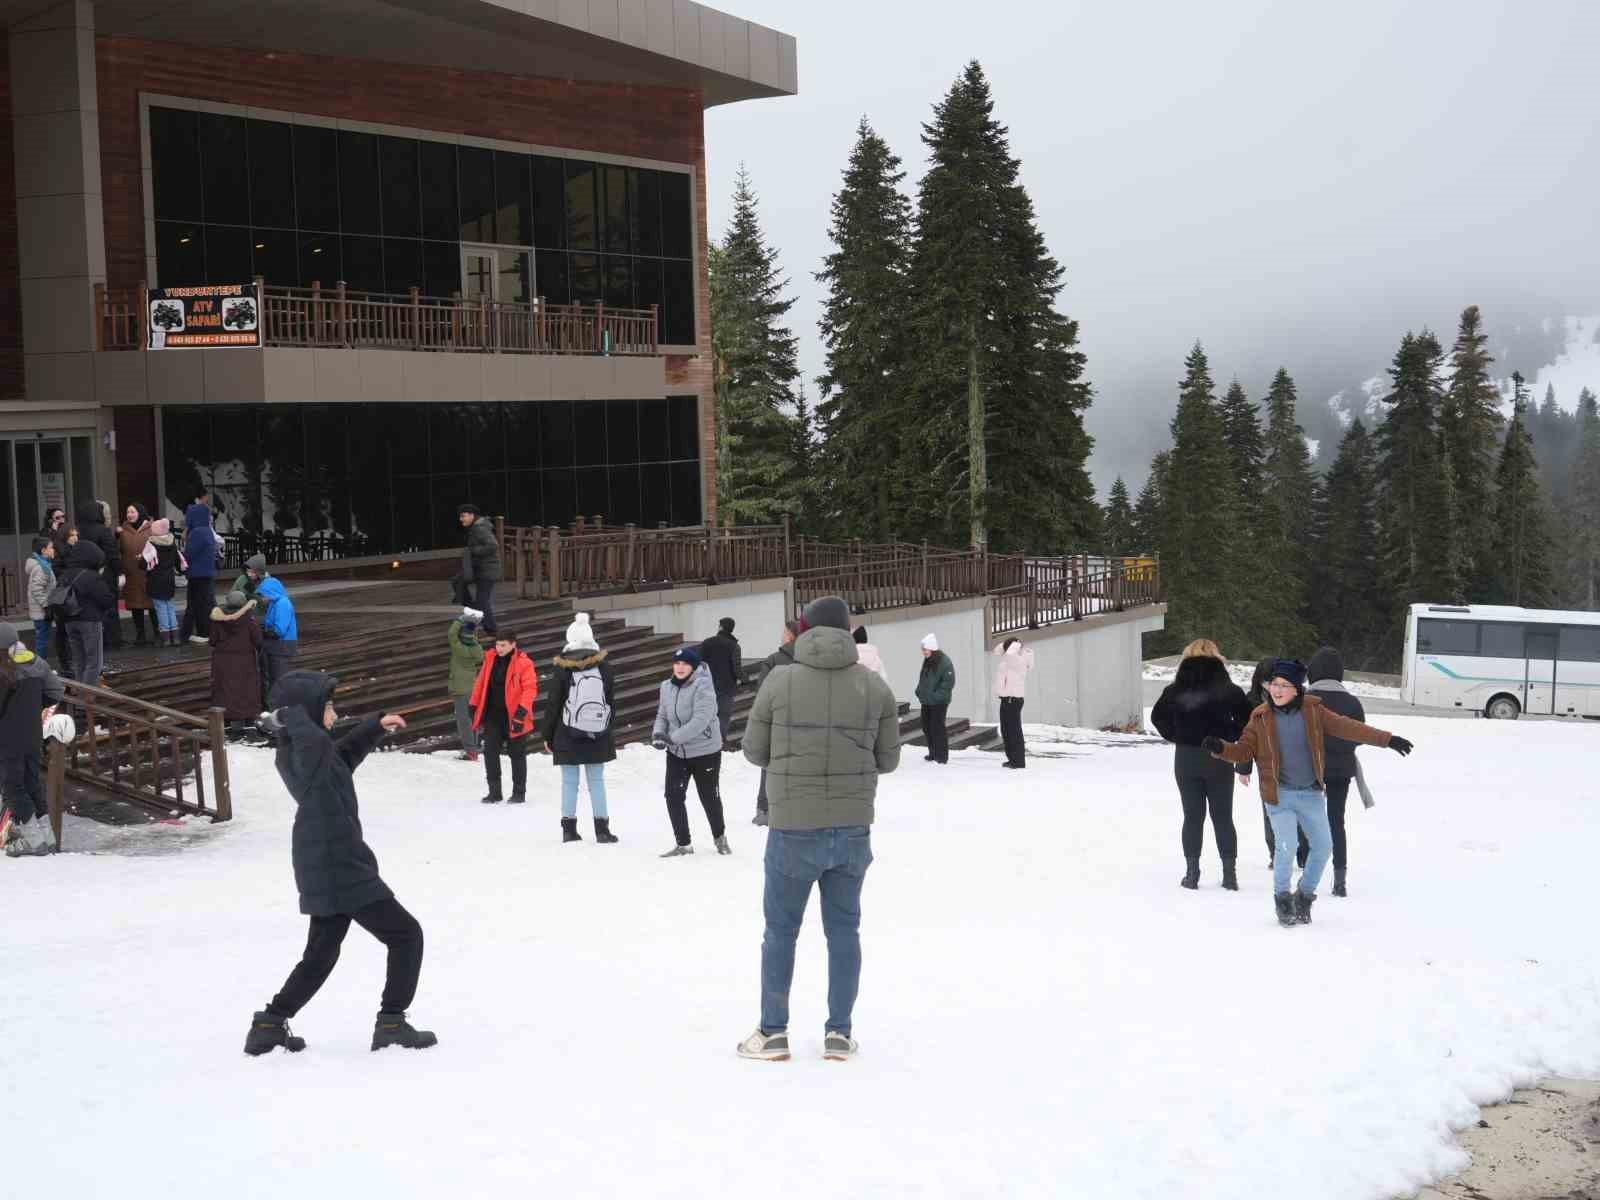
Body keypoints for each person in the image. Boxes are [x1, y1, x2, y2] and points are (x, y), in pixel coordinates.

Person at [737, 594, 901, 1063]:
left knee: (780, 932)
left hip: (792, 827)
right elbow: (887, 760)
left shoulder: (778, 681)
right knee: (844, 931)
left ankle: (772, 1033)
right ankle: (839, 1033)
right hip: (851, 829)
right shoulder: (874, 687)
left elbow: (753, 750)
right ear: (848, 632)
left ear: (804, 630)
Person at [245, 671, 435, 1055]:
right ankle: (392, 1022)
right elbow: (316, 737)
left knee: (320, 954)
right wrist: (285, 715)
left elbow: (342, 759)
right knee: (406, 935)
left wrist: (373, 727)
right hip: (339, 862)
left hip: (325, 859)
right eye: (328, 705)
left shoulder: (311, 753)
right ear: (307, 710)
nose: (333, 712)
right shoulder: (306, 745)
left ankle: (269, 1024)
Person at [1203, 658, 1414, 927]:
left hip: (1311, 794)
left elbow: (1349, 727)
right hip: (1279, 795)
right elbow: (1244, 750)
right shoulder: (1260, 717)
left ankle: (1303, 895)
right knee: (1287, 845)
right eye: (1274, 685)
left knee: (1324, 846)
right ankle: (1282, 899)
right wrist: (1221, 748)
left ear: (1297, 689)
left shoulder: (1314, 711)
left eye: (1283, 685)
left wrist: (1388, 739)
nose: (1276, 691)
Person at [1150, 639, 1253, 891]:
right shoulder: (1230, 690)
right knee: (1223, 816)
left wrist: (1178, 734)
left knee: (1192, 816)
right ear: (1218, 657)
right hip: (1219, 755)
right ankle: (1230, 875)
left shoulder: (1174, 690)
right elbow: (1248, 720)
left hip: (1186, 757)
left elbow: (1157, 717)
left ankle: (1192, 873)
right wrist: (1229, 736)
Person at [538, 613, 619, 845]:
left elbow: (554, 704)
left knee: (569, 782)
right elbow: (611, 701)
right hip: (597, 731)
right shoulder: (604, 667)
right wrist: (606, 727)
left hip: (567, 731)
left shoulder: (563, 669)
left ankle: (569, 830)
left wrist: (548, 734)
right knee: (597, 781)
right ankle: (602, 830)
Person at [1301, 646, 1374, 898]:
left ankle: (1304, 866)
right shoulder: (1352, 702)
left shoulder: (1304, 700)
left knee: (1305, 817)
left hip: (1308, 767)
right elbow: (1360, 735)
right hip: (1342, 768)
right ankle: (1339, 879)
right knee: (1336, 821)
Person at [651, 646, 728, 857]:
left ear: (693, 667)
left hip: (705, 751)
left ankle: (720, 838)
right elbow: (662, 715)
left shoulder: (704, 686)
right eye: (677, 663)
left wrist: (672, 738)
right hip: (677, 753)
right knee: (673, 796)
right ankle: (683, 844)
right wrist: (658, 734)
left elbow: (700, 721)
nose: (680, 667)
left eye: (685, 664)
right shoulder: (666, 686)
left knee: (709, 796)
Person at [0, 621, 66, 858]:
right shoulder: (36, 662)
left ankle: (33, 842)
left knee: (12, 787)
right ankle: (47, 839)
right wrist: (31, 707)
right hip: (32, 734)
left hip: (7, 738)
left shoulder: (3, 670)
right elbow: (56, 692)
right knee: (32, 784)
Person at [469, 630, 536, 805]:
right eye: (497, 644)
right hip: (493, 716)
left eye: (503, 645)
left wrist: (521, 712)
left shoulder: (524, 663)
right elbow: (481, 683)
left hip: (515, 717)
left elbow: (530, 689)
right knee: (490, 752)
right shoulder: (490, 659)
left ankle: (519, 793)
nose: (499, 648)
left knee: (517, 754)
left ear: (513, 644)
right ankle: (494, 792)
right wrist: (473, 704)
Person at [753, 620, 801, 826]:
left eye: (784, 632)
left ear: (790, 635)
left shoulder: (774, 660)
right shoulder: (811, 660)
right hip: (804, 722)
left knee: (770, 765)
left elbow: (762, 694)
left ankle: (765, 808)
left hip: (777, 721)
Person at [55, 539, 115, 687]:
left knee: (79, 661)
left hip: (69, 621)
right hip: (90, 621)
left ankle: (80, 697)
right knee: (94, 663)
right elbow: (106, 599)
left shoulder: (64, 575)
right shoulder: (91, 576)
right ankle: (87, 702)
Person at [209, 590, 263, 738]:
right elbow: (258, 639)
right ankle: (248, 721)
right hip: (244, 660)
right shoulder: (249, 618)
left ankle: (225, 723)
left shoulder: (218, 617)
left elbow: (212, 640)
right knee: (247, 689)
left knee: (223, 690)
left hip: (222, 660)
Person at [75, 501, 122, 651]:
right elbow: (113, 555)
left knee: (89, 608)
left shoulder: (78, 530)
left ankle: (94, 641)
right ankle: (112, 640)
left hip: (83, 576)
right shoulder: (103, 531)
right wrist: (118, 572)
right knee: (109, 607)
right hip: (105, 575)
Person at [180, 492, 220, 645]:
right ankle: (206, 631)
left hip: (198, 575)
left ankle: (204, 632)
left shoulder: (197, 532)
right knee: (206, 602)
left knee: (198, 604)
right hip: (205, 574)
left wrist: (182, 556)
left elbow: (189, 554)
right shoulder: (207, 531)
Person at [447, 607, 485, 762]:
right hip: (472, 687)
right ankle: (474, 747)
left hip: (460, 688)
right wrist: (472, 627)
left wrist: (461, 619)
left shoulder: (458, 648)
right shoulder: (477, 650)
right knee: (472, 719)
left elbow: (451, 634)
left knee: (463, 722)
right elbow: (472, 640)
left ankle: (470, 752)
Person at [457, 505, 502, 635]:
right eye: (460, 516)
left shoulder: (479, 528)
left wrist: (473, 551)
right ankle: (473, 624)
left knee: (482, 600)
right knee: (460, 585)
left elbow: (493, 545)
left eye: (463, 516)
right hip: (480, 569)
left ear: (472, 515)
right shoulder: (476, 528)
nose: (461, 519)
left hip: (487, 570)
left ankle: (491, 629)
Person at [992, 636, 1035, 769]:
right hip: (1006, 699)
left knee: (1014, 731)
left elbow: (1009, 654)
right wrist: (1007, 644)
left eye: (1008, 647)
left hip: (1013, 700)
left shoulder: (1019, 660)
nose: (1005, 651)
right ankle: (1012, 758)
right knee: (1006, 731)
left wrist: (1015, 644)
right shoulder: (1010, 658)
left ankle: (1018, 761)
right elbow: (996, 651)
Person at [141, 518, 184, 647]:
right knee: (170, 607)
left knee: (161, 609)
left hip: (156, 581)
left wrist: (140, 559)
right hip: (169, 580)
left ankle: (165, 638)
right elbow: (177, 562)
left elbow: (143, 563)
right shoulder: (172, 543)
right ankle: (175, 637)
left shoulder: (151, 544)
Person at [698, 616, 742, 740]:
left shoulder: (707, 642)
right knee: (723, 715)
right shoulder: (734, 646)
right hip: (726, 688)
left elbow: (699, 664)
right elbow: (737, 669)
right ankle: (720, 740)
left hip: (707, 685)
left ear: (720, 627)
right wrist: (745, 679)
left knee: (707, 714)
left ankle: (706, 739)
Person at [914, 633, 955, 764]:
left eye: (925, 650)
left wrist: (935, 696)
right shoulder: (928, 660)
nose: (923, 652)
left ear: (932, 649)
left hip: (939, 702)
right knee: (927, 727)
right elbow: (923, 678)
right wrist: (919, 691)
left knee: (938, 728)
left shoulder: (945, 662)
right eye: (923, 650)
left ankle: (941, 756)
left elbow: (948, 683)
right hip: (927, 700)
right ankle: (933, 752)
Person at [256, 571, 299, 696]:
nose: (262, 598)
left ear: (271, 592)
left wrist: (263, 631)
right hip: (275, 645)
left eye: (263, 594)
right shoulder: (273, 603)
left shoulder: (282, 604)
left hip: (282, 646)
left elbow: (279, 630)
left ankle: (280, 704)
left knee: (279, 678)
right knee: (272, 676)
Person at [118, 505, 154, 647]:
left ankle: (158, 633)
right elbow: (118, 550)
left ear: (140, 513)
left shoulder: (151, 528)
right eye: (127, 512)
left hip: (148, 574)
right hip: (131, 574)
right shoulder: (123, 530)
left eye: (133, 511)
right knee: (135, 606)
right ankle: (140, 636)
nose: (129, 514)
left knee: (152, 606)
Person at [25, 536, 55, 666]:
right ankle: (39, 667)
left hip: (41, 611)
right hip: (41, 612)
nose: (53, 550)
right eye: (51, 547)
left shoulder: (44, 565)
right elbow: (36, 589)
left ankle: (40, 667)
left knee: (42, 639)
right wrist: (46, 605)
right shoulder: (41, 567)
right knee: (42, 641)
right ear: (43, 550)